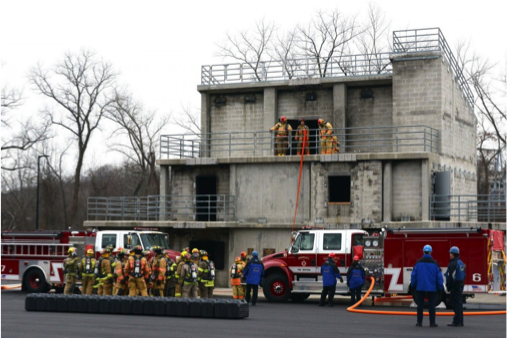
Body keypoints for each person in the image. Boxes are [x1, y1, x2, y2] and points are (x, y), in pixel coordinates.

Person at [410, 244, 444, 328]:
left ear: (423, 251)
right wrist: (440, 288)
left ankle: (419, 322)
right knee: (432, 305)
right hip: (432, 288)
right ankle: (432, 323)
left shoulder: (418, 262)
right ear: (431, 252)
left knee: (420, 305)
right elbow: (439, 277)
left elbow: (413, 276)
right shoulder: (435, 263)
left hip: (420, 287)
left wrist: (413, 286)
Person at [445, 246, 466, 327]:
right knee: (459, 303)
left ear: (453, 254)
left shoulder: (453, 264)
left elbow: (451, 277)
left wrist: (449, 287)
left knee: (455, 304)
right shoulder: (461, 263)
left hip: (455, 286)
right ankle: (460, 321)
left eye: (450, 253)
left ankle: (456, 321)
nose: (449, 254)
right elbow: (464, 275)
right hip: (460, 285)